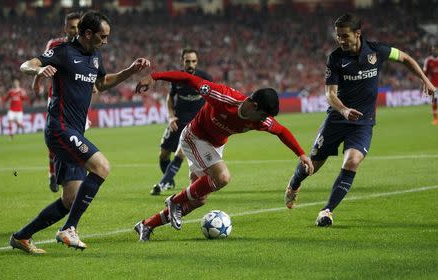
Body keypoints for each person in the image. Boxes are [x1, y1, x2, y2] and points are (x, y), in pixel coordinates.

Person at [10, 11, 150, 254]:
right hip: (60, 128)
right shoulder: (63, 52)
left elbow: (102, 83)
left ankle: (22, 237)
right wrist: (38, 71)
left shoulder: (94, 55)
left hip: (74, 131)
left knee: (70, 200)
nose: (105, 41)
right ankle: (69, 228)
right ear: (87, 33)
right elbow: (27, 64)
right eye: (102, 36)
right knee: (102, 167)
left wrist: (130, 70)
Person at [284, 14, 436, 227]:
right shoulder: (335, 58)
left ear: (358, 34)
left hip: (363, 123)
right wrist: (344, 110)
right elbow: (329, 94)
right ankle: (294, 183)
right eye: (338, 36)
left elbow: (405, 58)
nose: (341, 40)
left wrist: (425, 80)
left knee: (352, 161)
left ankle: (327, 211)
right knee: (311, 166)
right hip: (337, 120)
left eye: (345, 36)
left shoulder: (377, 51)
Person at [133, 71, 314, 241]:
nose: (263, 120)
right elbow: (189, 79)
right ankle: (174, 201)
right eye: (262, 115)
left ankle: (146, 225)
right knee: (222, 177)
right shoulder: (222, 96)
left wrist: (301, 154)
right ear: (253, 104)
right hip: (194, 137)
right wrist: (153, 77)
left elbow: (281, 131)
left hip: (214, 146)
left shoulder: (260, 119)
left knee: (198, 199)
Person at [150, 48, 212, 195]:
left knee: (180, 153)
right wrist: (171, 116)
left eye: (193, 61)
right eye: (187, 61)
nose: (191, 64)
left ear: (197, 62)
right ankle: (169, 180)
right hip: (177, 120)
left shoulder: (205, 78)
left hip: (195, 124)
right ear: (182, 61)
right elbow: (170, 98)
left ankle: (163, 183)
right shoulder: (176, 78)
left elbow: (212, 99)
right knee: (163, 154)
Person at [32, 12, 81, 193]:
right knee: (58, 139)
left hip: (77, 103)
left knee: (73, 140)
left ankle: (67, 177)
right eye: (72, 27)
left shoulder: (86, 47)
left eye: (78, 27)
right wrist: (36, 81)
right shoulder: (55, 45)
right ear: (65, 28)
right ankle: (54, 173)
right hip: (56, 99)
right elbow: (41, 64)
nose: (75, 31)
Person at [423, 44, 438, 125]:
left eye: (436, 49)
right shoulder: (428, 60)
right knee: (434, 101)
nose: (434, 51)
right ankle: (435, 119)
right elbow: (425, 73)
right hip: (433, 86)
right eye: (433, 49)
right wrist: (424, 83)